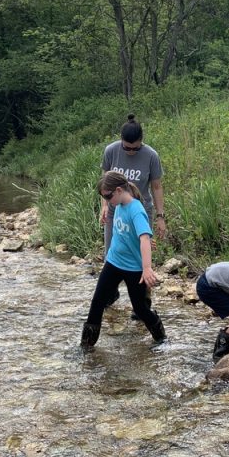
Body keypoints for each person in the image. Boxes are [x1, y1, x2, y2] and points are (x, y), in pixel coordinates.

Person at [81, 172, 166, 349]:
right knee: (97, 302)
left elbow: (144, 238)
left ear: (119, 190)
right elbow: (130, 235)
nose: (106, 200)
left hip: (134, 269)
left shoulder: (136, 210)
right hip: (113, 262)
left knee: (140, 309)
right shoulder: (118, 204)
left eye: (107, 196)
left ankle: (161, 338)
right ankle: (86, 347)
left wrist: (147, 268)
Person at [101, 115, 165, 310]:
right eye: (126, 147)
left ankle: (143, 301)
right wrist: (104, 205)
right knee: (111, 251)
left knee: (141, 258)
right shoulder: (111, 151)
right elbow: (105, 183)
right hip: (114, 212)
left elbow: (156, 187)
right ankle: (110, 294)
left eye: (134, 148)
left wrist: (161, 217)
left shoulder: (151, 155)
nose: (129, 151)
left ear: (141, 141)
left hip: (140, 212)